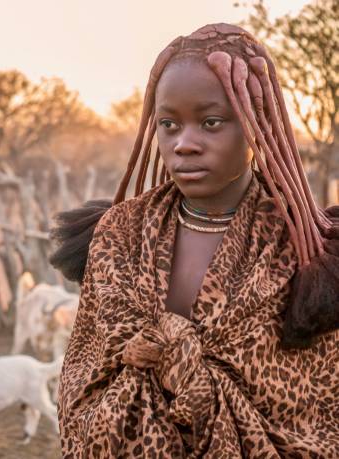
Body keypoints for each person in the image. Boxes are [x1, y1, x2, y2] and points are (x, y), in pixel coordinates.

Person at [49, 24, 338, 457]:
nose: (184, 144)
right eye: (168, 124)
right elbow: (84, 378)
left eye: (211, 122)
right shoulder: (119, 236)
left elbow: (316, 407)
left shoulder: (302, 249)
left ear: (255, 126)